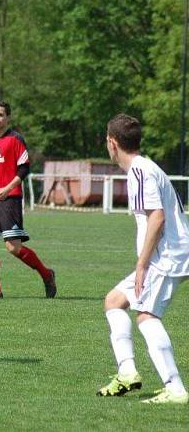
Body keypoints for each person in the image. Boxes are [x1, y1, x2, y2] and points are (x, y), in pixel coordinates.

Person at [96, 114, 189, 404]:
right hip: (164, 256)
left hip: (167, 257)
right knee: (114, 301)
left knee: (147, 315)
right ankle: (127, 373)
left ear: (112, 142)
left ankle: (175, 389)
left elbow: (157, 218)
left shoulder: (139, 170)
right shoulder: (142, 168)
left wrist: (142, 264)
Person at [0, 101, 56, 299]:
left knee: (13, 247)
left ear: (8, 118)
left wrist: (8, 189)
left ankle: (47, 274)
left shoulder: (15, 139)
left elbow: (24, 168)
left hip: (10, 199)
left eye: (1, 115)